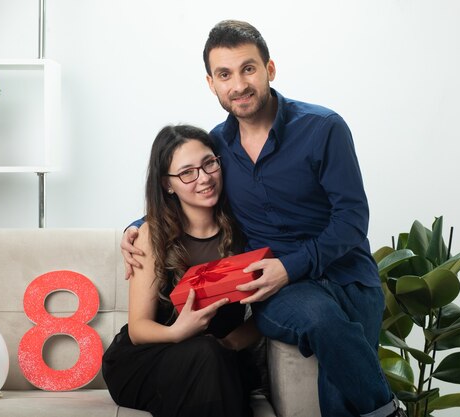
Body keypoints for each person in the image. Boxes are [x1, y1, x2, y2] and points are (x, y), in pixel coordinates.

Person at [121, 20, 406, 417]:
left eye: (248, 69)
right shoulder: (217, 146)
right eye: (224, 74)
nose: (238, 84)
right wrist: (136, 228)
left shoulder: (323, 128)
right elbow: (184, 187)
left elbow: (353, 218)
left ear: (269, 69)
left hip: (348, 277)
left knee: (340, 383)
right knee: (322, 319)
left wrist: (290, 267)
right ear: (211, 83)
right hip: (280, 291)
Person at [103, 124, 262, 417]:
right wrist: (179, 332)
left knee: (210, 358)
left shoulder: (246, 232)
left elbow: (265, 316)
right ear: (167, 184)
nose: (204, 178)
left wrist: (227, 342)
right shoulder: (151, 235)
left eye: (209, 164)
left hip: (219, 355)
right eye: (187, 172)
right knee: (205, 356)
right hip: (149, 357)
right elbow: (139, 330)